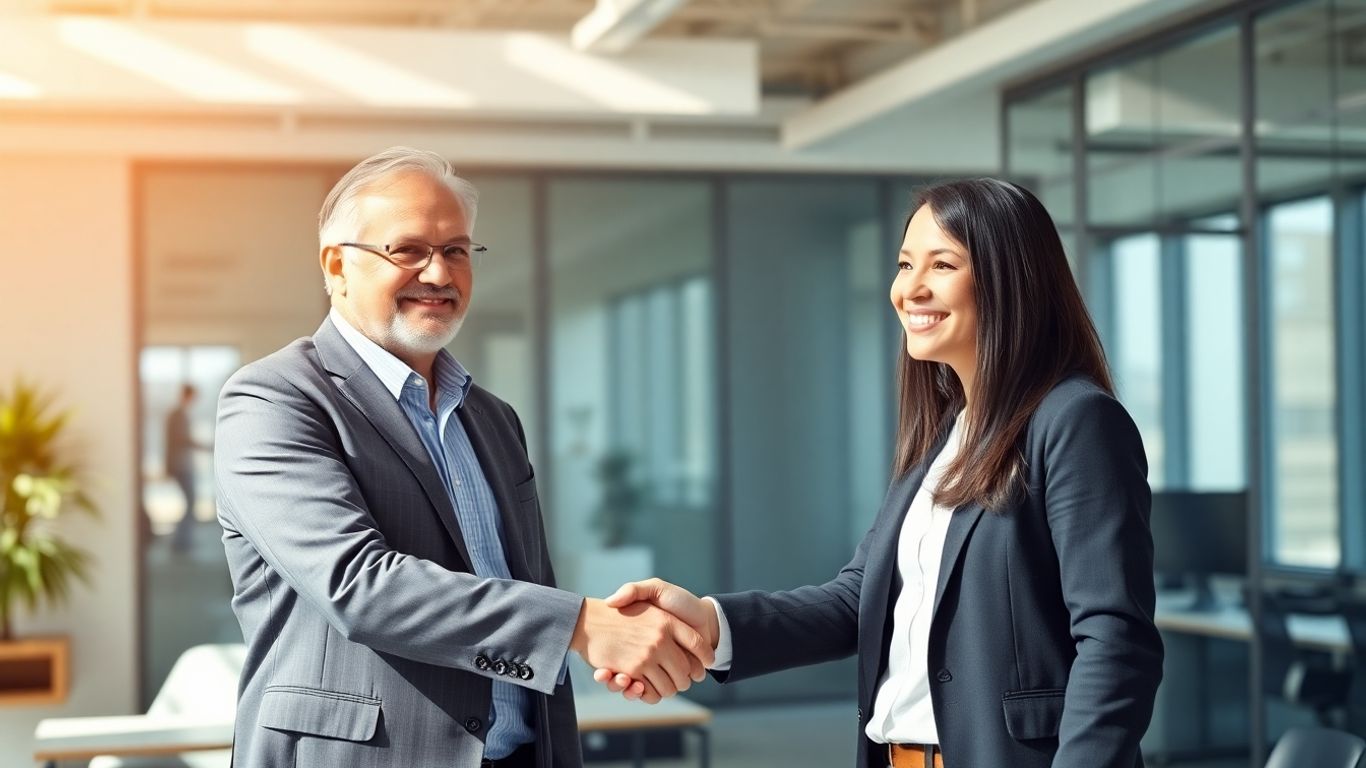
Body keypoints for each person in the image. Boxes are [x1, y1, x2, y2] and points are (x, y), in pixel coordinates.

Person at [594, 178, 1164, 768]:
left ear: (1011, 279)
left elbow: (1115, 639)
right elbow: (857, 600)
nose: (909, 289)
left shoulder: (1075, 420)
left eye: (942, 264)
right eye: (903, 264)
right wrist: (710, 623)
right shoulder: (947, 435)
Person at [214, 147, 712, 768]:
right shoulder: (275, 399)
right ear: (337, 266)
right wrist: (580, 627)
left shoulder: (493, 418)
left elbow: (523, 585)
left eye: (455, 250)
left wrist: (604, 636)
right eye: (408, 249)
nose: (438, 274)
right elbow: (358, 586)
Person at [164, 383, 209, 553]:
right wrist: (205, 447)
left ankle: (182, 541)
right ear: (187, 395)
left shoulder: (179, 414)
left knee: (190, 503)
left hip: (182, 464)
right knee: (190, 503)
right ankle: (180, 543)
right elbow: (180, 440)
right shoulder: (177, 415)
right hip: (180, 465)